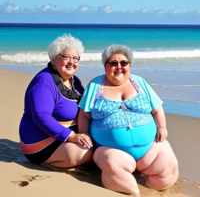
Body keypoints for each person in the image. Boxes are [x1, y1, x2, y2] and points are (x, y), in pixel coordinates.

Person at [78, 44, 179, 196]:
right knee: (113, 169)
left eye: (123, 63)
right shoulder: (95, 85)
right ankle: (136, 192)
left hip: (150, 148)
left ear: (129, 65)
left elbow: (157, 109)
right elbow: (84, 115)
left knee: (169, 168)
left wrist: (162, 127)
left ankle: (149, 191)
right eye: (113, 63)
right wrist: (84, 133)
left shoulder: (139, 82)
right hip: (111, 151)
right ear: (105, 66)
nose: (119, 67)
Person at [19, 34, 93, 168]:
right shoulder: (44, 81)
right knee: (86, 152)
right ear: (53, 59)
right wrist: (71, 136)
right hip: (40, 141)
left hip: (64, 136)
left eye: (75, 58)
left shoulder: (74, 81)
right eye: (66, 57)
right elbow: (41, 116)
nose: (71, 62)